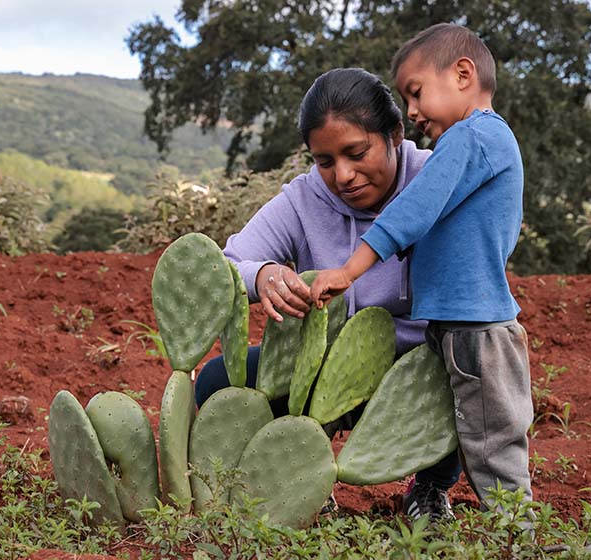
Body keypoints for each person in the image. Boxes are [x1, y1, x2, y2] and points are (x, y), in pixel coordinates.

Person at [193, 66, 462, 520]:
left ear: (395, 134)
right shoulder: (303, 200)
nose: (343, 175)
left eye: (357, 152)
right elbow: (228, 262)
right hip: (331, 369)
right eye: (324, 161)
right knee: (217, 382)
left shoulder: (436, 180)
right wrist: (261, 274)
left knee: (465, 372)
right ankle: (304, 479)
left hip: (418, 367)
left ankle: (431, 488)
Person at [310, 24, 534, 514]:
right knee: (455, 424)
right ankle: (458, 509)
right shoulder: (486, 142)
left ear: (462, 74)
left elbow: (414, 209)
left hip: (476, 330)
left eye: (415, 93)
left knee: (491, 446)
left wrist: (351, 270)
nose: (410, 112)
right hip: (460, 323)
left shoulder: (471, 137)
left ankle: (522, 550)